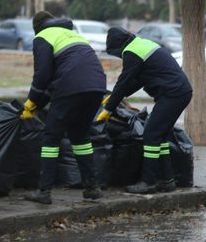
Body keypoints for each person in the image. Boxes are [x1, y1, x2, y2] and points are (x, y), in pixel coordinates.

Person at [21, 11, 108, 205]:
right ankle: (92, 188)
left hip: (71, 86)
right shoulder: (73, 35)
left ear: (37, 28)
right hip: (96, 87)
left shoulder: (43, 37)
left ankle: (44, 191)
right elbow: (57, 76)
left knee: (51, 137)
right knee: (80, 136)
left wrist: (31, 101)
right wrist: (38, 102)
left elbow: (43, 75)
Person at [95, 27, 192, 194]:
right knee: (159, 136)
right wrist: (116, 97)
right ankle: (167, 180)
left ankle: (148, 182)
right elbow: (138, 80)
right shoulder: (142, 45)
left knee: (151, 134)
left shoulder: (132, 51)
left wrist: (109, 107)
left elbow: (124, 81)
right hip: (178, 92)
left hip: (172, 94)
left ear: (118, 46)